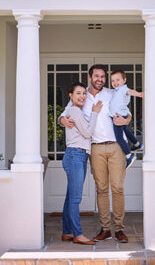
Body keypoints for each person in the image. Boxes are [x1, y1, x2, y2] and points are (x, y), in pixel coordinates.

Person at [59, 64, 132, 243]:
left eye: (103, 76)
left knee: (117, 188)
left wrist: (126, 120)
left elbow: (128, 114)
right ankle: (105, 229)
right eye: (96, 76)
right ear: (90, 77)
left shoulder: (112, 93)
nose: (100, 79)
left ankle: (120, 229)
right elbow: (65, 114)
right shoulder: (81, 95)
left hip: (115, 146)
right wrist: (62, 120)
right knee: (101, 189)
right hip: (95, 148)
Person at [61, 82, 103, 245]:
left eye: (84, 93)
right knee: (76, 198)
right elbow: (87, 133)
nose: (82, 96)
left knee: (70, 197)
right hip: (75, 155)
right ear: (70, 96)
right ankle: (78, 234)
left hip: (77, 155)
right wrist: (94, 113)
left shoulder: (73, 111)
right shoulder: (74, 110)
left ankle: (67, 232)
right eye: (78, 93)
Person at [108, 70, 144, 168]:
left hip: (118, 117)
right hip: (120, 115)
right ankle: (137, 144)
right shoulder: (116, 91)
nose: (115, 83)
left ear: (124, 80)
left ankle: (129, 156)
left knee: (119, 137)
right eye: (113, 81)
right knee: (126, 131)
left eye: (118, 80)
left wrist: (139, 94)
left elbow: (130, 91)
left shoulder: (124, 89)